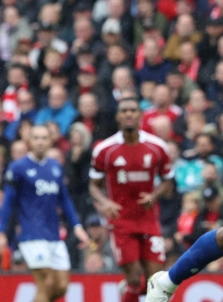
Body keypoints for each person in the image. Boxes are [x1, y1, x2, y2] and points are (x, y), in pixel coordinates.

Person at [89, 97, 175, 302]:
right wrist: (105, 202)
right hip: (121, 222)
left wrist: (154, 195)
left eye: (133, 110)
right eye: (124, 110)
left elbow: (168, 182)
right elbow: (93, 185)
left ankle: (129, 292)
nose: (129, 114)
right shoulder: (105, 150)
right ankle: (130, 288)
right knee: (135, 278)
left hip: (149, 220)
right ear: (118, 116)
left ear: (140, 115)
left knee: (156, 280)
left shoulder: (157, 147)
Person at [0, 126, 89, 302]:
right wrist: (1, 230)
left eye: (44, 138)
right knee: (46, 283)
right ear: (29, 141)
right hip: (31, 234)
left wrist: (77, 226)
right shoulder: (18, 167)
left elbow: (65, 199)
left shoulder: (55, 167)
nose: (40, 141)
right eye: (36, 138)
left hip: (53, 234)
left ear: (50, 141)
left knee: (61, 286)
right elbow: (8, 200)